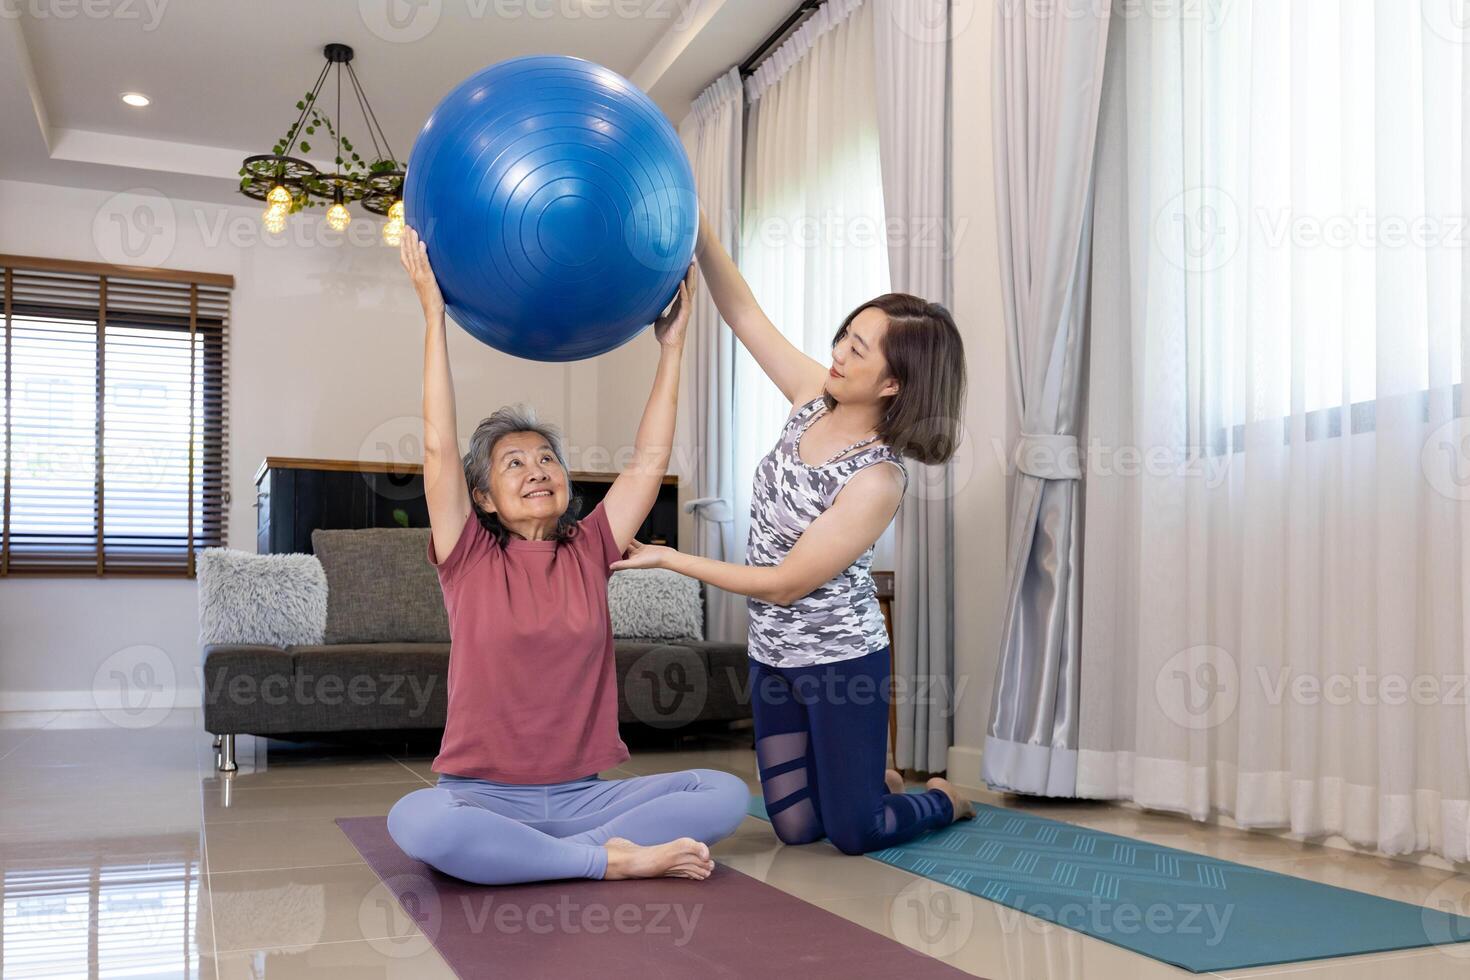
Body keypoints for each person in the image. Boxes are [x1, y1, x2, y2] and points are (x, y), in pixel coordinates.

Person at [386, 226, 747, 885]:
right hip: (481, 795)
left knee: (724, 794)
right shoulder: (466, 555)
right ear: (484, 498)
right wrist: (433, 315)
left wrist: (672, 347)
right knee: (420, 821)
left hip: (586, 793)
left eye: (547, 458)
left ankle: (543, 855)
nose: (537, 470)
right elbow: (439, 449)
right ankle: (604, 859)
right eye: (514, 463)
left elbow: (649, 461)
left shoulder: (589, 550)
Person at [609, 209, 972, 856]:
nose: (837, 353)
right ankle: (867, 780)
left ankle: (939, 798)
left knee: (854, 834)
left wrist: (670, 560)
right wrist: (702, 232)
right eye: (844, 337)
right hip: (773, 657)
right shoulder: (812, 396)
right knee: (798, 829)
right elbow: (745, 315)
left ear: (893, 383)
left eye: (857, 350)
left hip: (840, 666)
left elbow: (781, 586)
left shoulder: (878, 480)